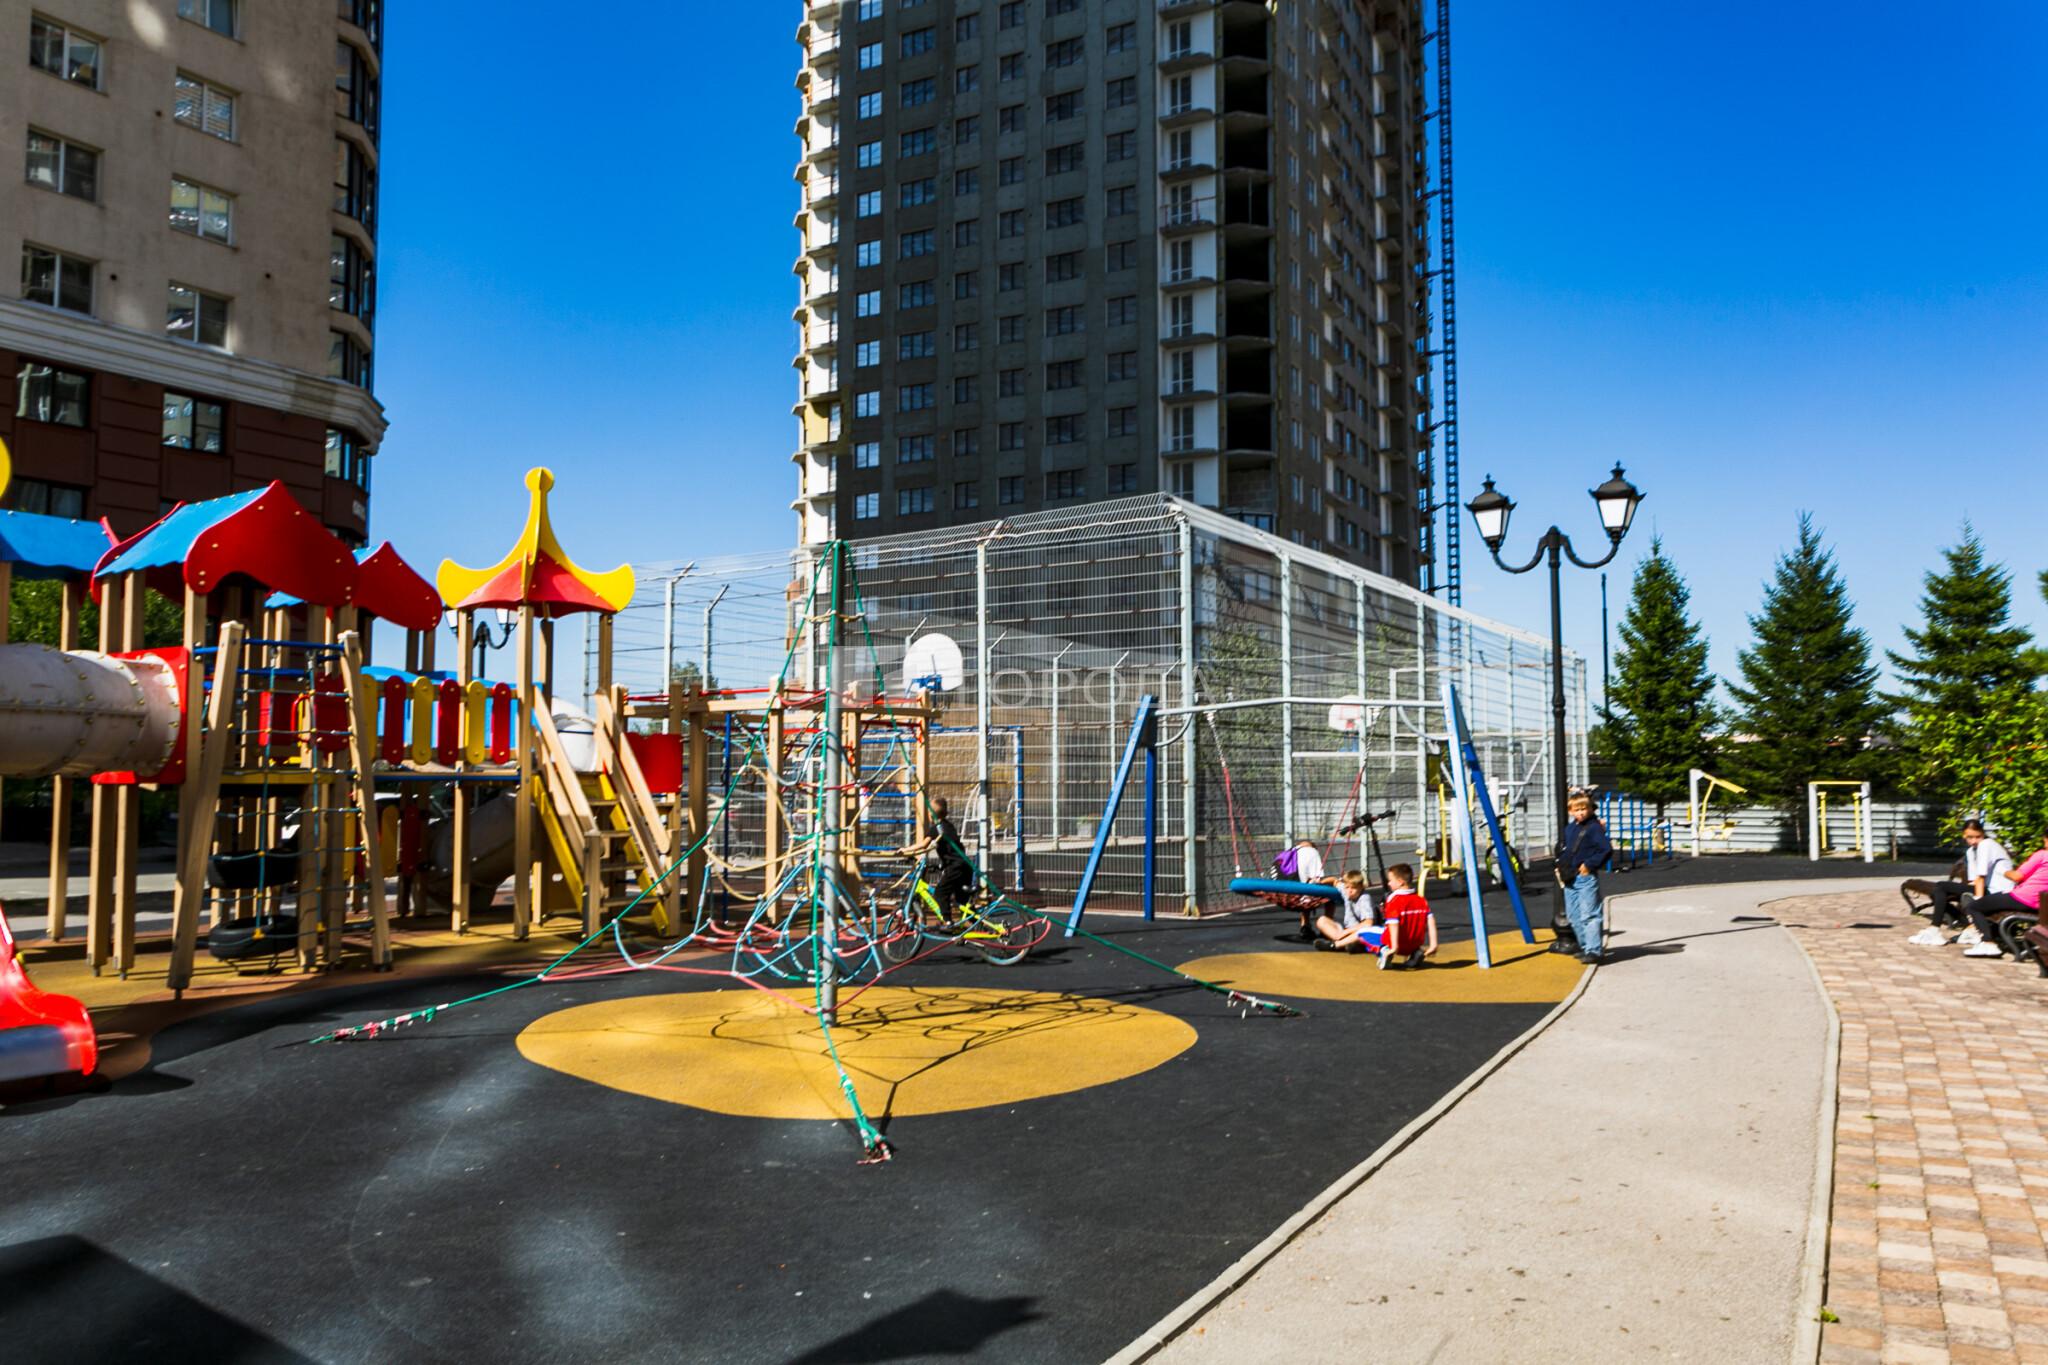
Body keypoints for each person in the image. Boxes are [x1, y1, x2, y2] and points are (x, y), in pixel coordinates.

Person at [1909, 819, 2014, 946]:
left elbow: (1980, 878)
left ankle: (1934, 931)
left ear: (1983, 834)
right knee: (1938, 890)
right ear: (1964, 835)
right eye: (1970, 837)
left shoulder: (1987, 844)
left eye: (1978, 837)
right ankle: (1963, 928)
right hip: (1987, 889)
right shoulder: (1971, 851)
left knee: (1941, 887)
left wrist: (1978, 902)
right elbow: (1973, 881)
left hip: (1999, 892)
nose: (1974, 841)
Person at [1956, 825, 2048, 959]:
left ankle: (1988, 943)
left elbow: (2017, 876)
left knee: (1974, 906)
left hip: (2023, 898)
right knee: (1990, 903)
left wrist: (2003, 871)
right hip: (2041, 904)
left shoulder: (2042, 855)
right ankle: (1995, 937)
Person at [897, 797, 974, 919]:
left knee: (940, 893)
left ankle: (947, 921)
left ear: (931, 814)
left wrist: (904, 850)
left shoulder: (936, 829)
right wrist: (941, 865)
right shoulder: (948, 826)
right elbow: (950, 850)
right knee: (962, 900)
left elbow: (923, 845)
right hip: (965, 866)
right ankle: (978, 923)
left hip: (955, 867)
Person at [1558, 790, 1611, 965]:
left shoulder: (1594, 827)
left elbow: (1605, 849)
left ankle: (1594, 950)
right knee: (1574, 915)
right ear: (1571, 811)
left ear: (1590, 809)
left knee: (1590, 914)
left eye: (1584, 809)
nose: (1581, 813)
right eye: (1577, 810)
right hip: (1570, 875)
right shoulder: (1570, 828)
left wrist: (1589, 865)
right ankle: (1585, 946)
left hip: (1584, 876)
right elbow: (1567, 849)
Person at [1310, 870, 1376, 950]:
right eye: (1347, 887)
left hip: (1359, 932)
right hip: (1347, 931)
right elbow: (1334, 881)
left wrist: (1346, 932)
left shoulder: (1364, 898)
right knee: (1322, 920)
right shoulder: (1345, 891)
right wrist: (1319, 882)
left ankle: (1345, 944)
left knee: (1362, 933)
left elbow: (1368, 924)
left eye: (1353, 888)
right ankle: (1345, 943)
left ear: (1361, 887)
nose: (1350, 891)